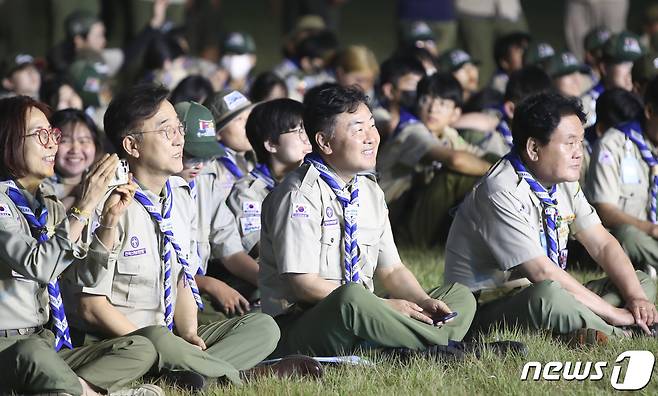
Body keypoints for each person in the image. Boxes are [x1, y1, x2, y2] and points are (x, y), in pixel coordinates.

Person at [66, 84, 319, 390]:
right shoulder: (108, 204)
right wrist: (159, 344)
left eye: (178, 128)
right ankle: (235, 375)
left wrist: (187, 334)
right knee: (155, 340)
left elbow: (182, 276)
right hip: (121, 342)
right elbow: (90, 307)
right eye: (165, 130)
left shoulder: (179, 195)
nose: (179, 139)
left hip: (168, 331)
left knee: (263, 326)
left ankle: (189, 372)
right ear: (132, 146)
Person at [260, 84, 522, 359]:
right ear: (324, 142)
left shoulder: (369, 190)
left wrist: (423, 302)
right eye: (357, 129)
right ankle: (444, 347)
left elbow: (392, 270)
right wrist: (383, 307)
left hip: (367, 312)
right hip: (304, 324)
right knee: (351, 297)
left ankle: (415, 344)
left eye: (372, 126)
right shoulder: (298, 195)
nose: (371, 137)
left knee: (458, 294)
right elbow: (304, 285)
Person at [444, 91, 657, 343]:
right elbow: (541, 273)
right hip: (490, 306)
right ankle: (623, 334)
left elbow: (602, 244)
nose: (579, 152)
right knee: (548, 297)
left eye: (580, 141)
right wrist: (613, 312)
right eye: (569, 143)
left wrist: (636, 298)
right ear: (534, 148)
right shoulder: (499, 190)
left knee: (639, 280)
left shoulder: (563, 180)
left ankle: (591, 325)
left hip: (549, 291)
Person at [0, 95, 161, 395]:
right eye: (40, 135)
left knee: (139, 347)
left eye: (53, 134)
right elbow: (40, 266)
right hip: (8, 347)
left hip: (48, 340)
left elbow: (83, 278)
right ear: (7, 140)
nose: (52, 144)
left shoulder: (48, 203)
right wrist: (84, 206)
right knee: (33, 356)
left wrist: (109, 222)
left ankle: (68, 389)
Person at [173, 101, 260, 318]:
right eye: (191, 154)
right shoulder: (158, 189)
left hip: (199, 289)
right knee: (256, 326)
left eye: (206, 155)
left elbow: (229, 249)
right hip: (173, 296)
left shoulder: (204, 179)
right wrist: (210, 284)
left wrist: (274, 283)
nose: (200, 164)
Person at [391, 73, 494, 246]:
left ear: (455, 114)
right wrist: (498, 172)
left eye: (442, 104)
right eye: (426, 100)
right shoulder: (412, 132)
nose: (433, 109)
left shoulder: (447, 134)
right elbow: (456, 160)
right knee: (452, 176)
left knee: (487, 159)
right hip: (395, 219)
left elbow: (480, 156)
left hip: (418, 212)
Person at [586, 76, 658, 279]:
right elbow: (605, 211)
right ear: (650, 111)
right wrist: (651, 229)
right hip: (634, 238)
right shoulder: (612, 145)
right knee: (627, 235)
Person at [227, 98, 312, 258]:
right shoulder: (247, 192)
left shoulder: (314, 181)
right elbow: (260, 247)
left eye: (308, 129)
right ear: (271, 144)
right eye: (298, 131)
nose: (307, 138)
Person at [203, 90, 256, 201]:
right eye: (239, 119)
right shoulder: (208, 172)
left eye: (250, 115)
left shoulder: (254, 162)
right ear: (217, 133)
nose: (249, 124)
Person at [46, 109, 104, 210]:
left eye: (83, 141)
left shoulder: (103, 182)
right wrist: (78, 190)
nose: (75, 150)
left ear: (96, 145)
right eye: (65, 141)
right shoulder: (38, 183)